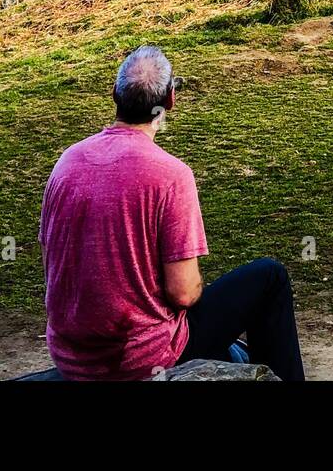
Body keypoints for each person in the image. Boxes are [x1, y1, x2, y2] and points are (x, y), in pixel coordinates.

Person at [39, 44, 305, 381]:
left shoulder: (66, 163)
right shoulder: (170, 175)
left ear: (114, 95)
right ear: (170, 101)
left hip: (72, 355)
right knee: (270, 277)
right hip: (139, 358)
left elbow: (52, 261)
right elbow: (184, 293)